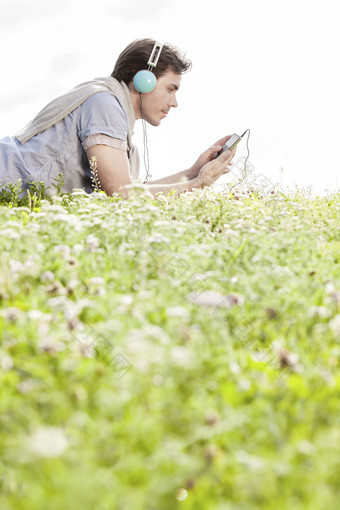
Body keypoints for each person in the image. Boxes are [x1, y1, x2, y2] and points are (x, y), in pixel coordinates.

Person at [0, 38, 236, 199]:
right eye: (171, 89)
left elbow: (132, 191)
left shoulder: (114, 112)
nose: (174, 102)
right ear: (145, 81)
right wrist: (197, 185)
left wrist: (194, 172)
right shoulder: (105, 104)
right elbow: (121, 194)